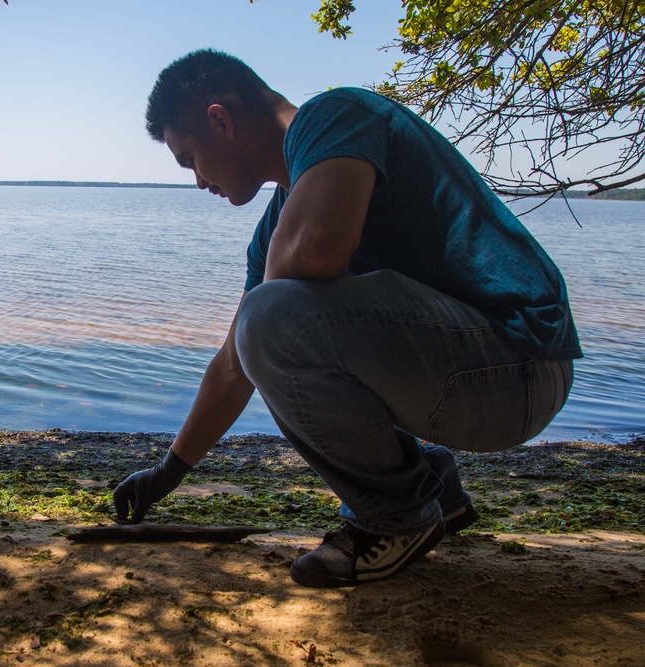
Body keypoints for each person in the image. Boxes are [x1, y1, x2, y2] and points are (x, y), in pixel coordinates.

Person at [113, 49, 581, 588]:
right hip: (476, 375)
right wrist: (166, 474)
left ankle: (396, 516)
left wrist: (265, 314)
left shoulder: (335, 117)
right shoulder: (279, 220)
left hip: (521, 364)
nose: (197, 181)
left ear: (220, 119)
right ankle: (432, 487)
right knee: (265, 323)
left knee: (269, 317)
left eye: (189, 158)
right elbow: (233, 365)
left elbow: (313, 259)